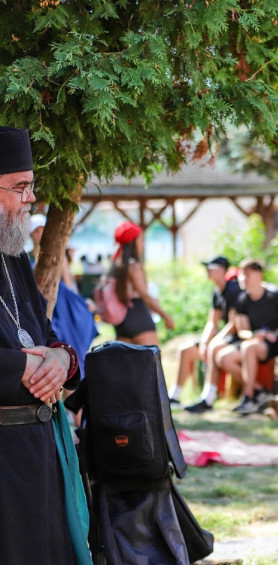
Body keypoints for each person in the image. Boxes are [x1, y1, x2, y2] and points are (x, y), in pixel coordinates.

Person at [0, 126, 88, 563]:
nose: (31, 198)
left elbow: (46, 336)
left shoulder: (13, 255)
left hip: (41, 449)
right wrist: (22, 368)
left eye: (30, 186)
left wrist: (58, 359)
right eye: (20, 187)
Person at [218, 258, 278, 415]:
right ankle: (260, 392)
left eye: (247, 274)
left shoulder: (275, 295)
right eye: (241, 275)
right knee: (223, 357)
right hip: (252, 341)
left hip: (272, 343)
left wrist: (275, 333)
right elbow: (242, 331)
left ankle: (249, 398)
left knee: (248, 347)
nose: (243, 279)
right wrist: (255, 335)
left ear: (259, 275)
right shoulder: (242, 300)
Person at [168, 255, 241, 405]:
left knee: (212, 348)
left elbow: (234, 324)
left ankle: (208, 398)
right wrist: (204, 343)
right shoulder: (216, 291)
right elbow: (212, 322)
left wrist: (213, 342)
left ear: (222, 270)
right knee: (185, 350)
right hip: (223, 337)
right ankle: (174, 397)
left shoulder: (234, 289)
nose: (207, 270)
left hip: (236, 339)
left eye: (211, 267)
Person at [107, 221, 174, 345]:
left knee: (126, 358)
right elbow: (145, 296)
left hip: (122, 323)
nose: (143, 244)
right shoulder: (134, 266)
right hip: (139, 317)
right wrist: (165, 316)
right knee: (151, 358)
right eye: (141, 240)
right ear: (133, 242)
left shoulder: (115, 266)